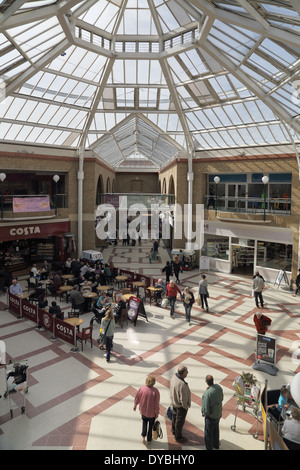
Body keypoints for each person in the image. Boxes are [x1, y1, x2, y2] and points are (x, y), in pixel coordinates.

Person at [133, 375, 160, 446]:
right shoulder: (155, 391)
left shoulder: (142, 388)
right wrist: (157, 413)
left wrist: (135, 405)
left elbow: (137, 398)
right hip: (152, 414)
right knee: (151, 426)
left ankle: (143, 437)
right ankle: (149, 439)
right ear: (153, 383)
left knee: (144, 424)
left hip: (143, 412)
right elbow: (156, 404)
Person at [201, 374, 223, 450]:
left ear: (206, 382)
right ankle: (216, 445)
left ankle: (209, 448)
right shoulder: (218, 387)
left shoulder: (207, 393)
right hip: (218, 413)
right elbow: (222, 398)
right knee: (216, 430)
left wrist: (205, 414)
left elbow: (205, 408)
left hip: (211, 417)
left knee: (208, 434)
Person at [170, 365, 191, 443]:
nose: (188, 373)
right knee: (180, 422)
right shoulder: (182, 384)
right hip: (180, 406)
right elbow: (183, 398)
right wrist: (185, 407)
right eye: (186, 372)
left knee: (174, 417)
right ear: (182, 374)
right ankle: (178, 437)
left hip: (174, 402)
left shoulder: (173, 377)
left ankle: (173, 430)